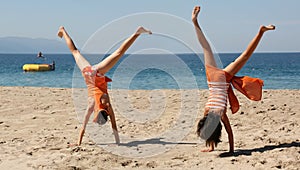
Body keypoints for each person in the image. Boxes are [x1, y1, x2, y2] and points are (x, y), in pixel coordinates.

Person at [191, 6, 275, 154]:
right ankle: (195, 22)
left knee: (244, 56)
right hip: (212, 79)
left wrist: (231, 151)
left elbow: (230, 134)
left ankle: (261, 32)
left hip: (223, 80)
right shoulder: (207, 111)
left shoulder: (222, 115)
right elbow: (208, 125)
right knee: (206, 48)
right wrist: (214, 147)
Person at [57, 26, 152, 146]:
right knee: (75, 52)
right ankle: (63, 31)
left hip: (95, 73)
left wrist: (118, 141)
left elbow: (113, 125)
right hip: (89, 73)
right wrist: (78, 142)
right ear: (96, 115)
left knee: (118, 53)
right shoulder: (92, 106)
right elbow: (84, 126)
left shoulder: (107, 106)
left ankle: (137, 33)